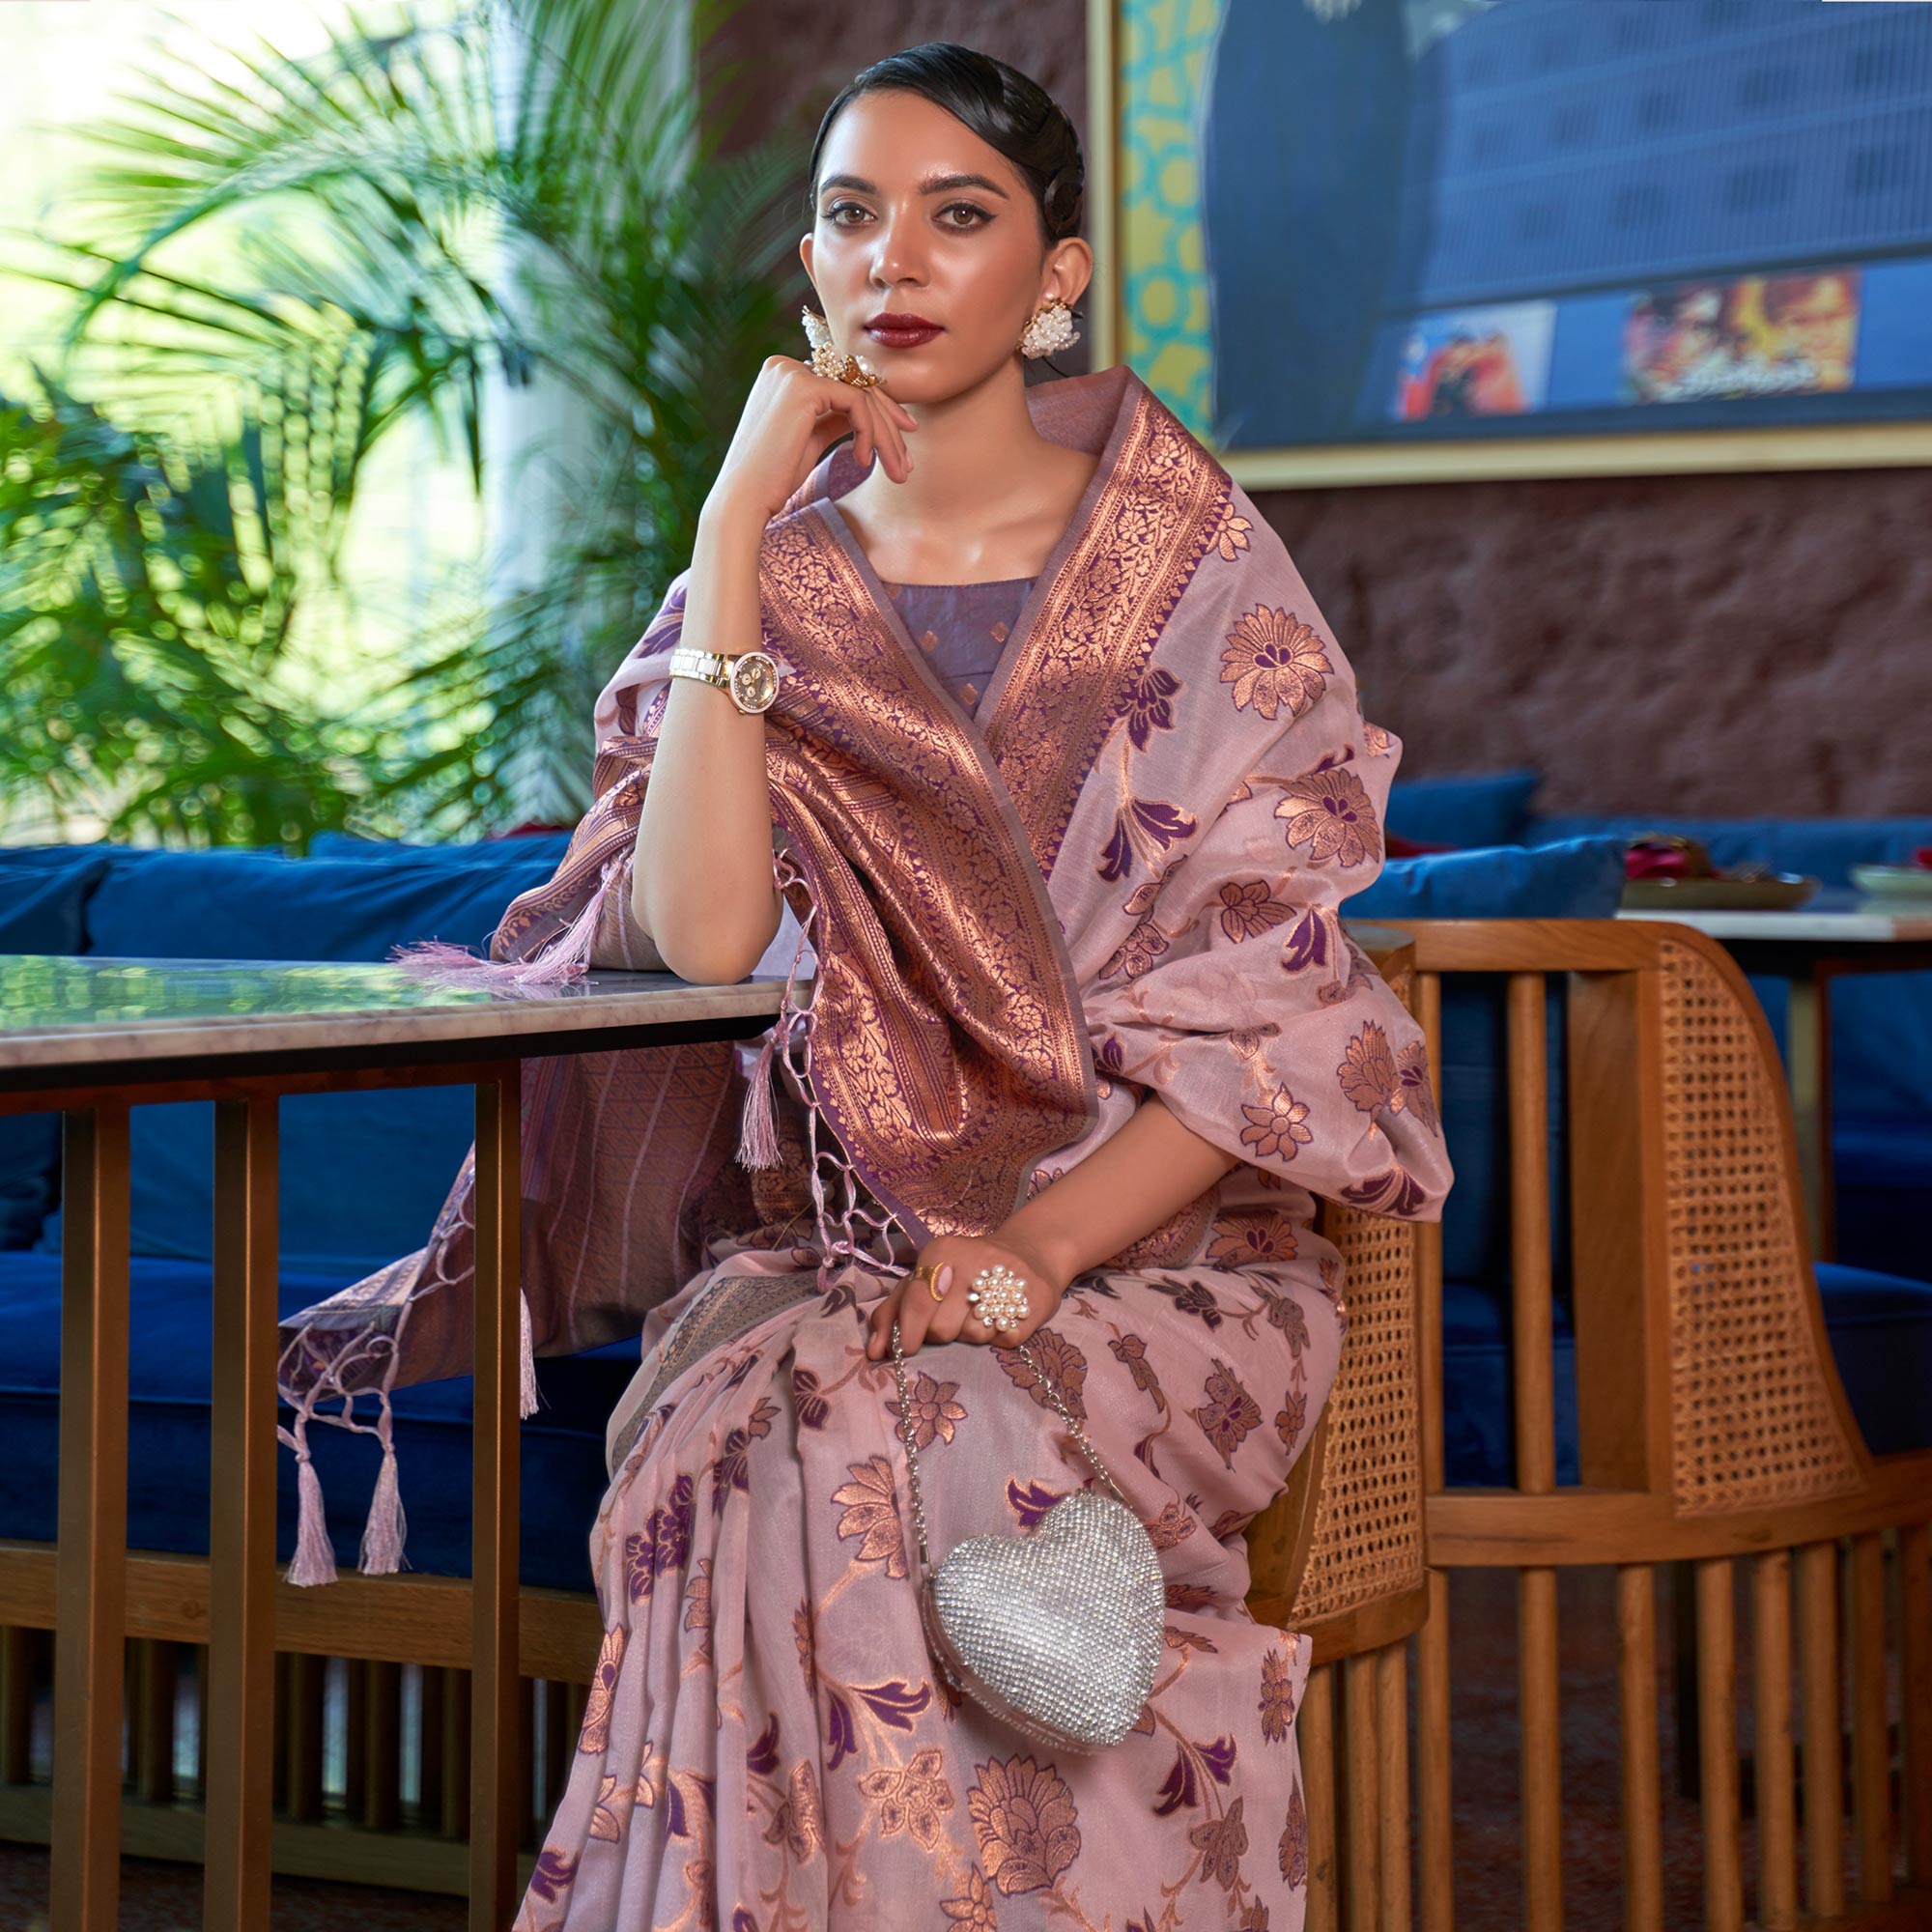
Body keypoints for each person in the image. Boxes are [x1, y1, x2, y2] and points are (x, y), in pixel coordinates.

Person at [275, 42, 1454, 1932]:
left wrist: (1038, 1251)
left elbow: (1286, 1013)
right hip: (838, 1258)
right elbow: (710, 933)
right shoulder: (766, 580)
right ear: (812, 269)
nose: (890, 254)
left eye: (957, 213)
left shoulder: (1193, 568)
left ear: (1055, 276)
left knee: (876, 1431)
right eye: (849, 211)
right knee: (770, 1420)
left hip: (1163, 1264)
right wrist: (733, 539)